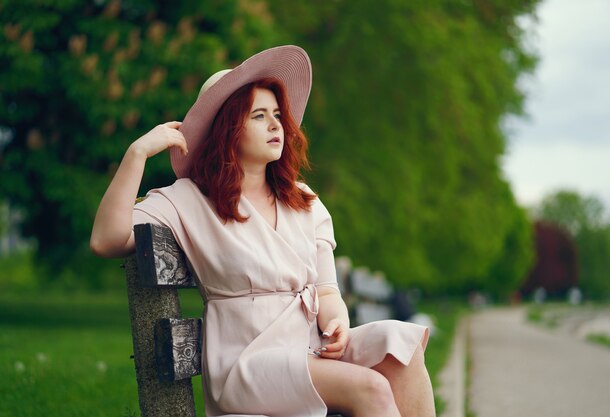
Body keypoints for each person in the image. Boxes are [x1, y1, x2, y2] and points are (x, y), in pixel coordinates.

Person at [91, 45, 435, 417]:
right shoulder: (189, 200)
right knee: (370, 388)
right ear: (227, 130)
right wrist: (137, 154)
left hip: (306, 349)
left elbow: (326, 290)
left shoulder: (303, 200)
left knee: (400, 344)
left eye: (276, 114)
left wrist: (337, 323)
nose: (276, 125)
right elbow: (106, 239)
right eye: (259, 116)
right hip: (247, 362)